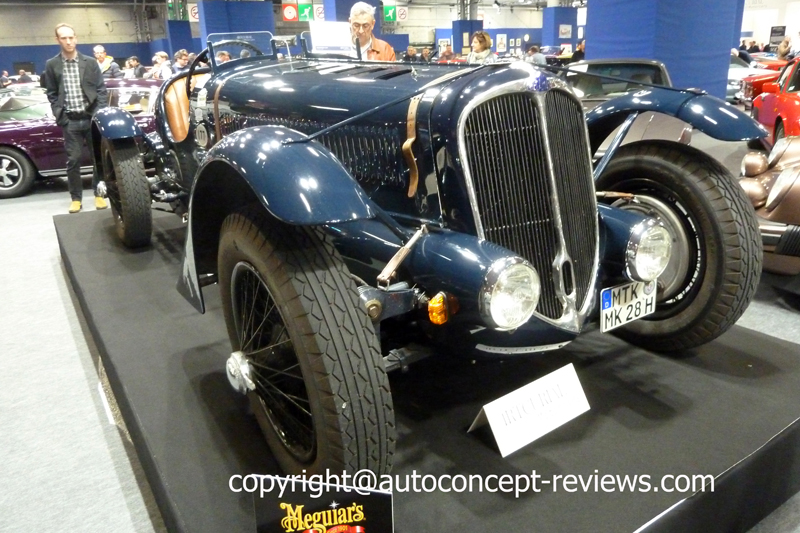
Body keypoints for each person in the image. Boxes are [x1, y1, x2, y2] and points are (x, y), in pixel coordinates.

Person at [43, 23, 108, 214]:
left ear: (76, 38)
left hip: (91, 118)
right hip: (69, 120)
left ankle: (98, 193)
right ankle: (76, 199)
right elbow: (52, 93)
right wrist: (59, 115)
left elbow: (101, 90)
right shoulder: (52, 64)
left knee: (98, 158)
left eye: (71, 37)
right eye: (64, 38)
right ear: (58, 40)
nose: (69, 41)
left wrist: (99, 113)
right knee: (73, 160)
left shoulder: (89, 62)